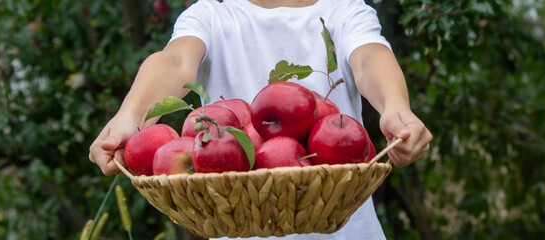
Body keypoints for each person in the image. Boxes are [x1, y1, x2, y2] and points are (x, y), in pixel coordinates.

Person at [89, 0, 432, 239]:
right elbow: (175, 60)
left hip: (346, 232)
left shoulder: (343, 10)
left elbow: (370, 56)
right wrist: (130, 116)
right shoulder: (211, 15)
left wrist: (396, 106)